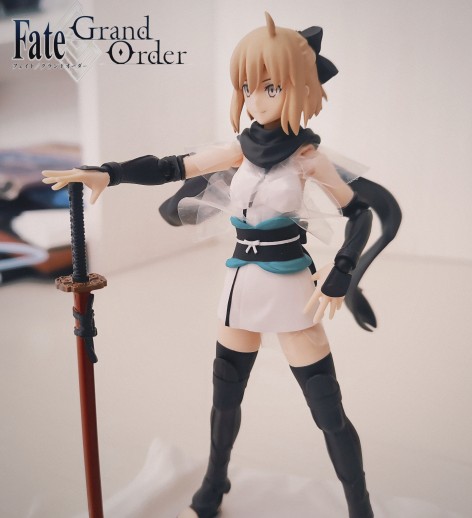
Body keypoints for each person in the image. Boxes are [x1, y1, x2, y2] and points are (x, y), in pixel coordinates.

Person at [43, 13, 401, 518]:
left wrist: (341, 272)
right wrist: (109, 173)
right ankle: (214, 484)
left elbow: (359, 213)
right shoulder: (239, 150)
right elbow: (171, 166)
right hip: (241, 286)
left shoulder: (307, 155)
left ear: (299, 87)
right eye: (248, 87)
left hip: (292, 289)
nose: (257, 99)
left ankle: (359, 507)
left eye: (271, 87)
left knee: (327, 410)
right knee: (225, 397)